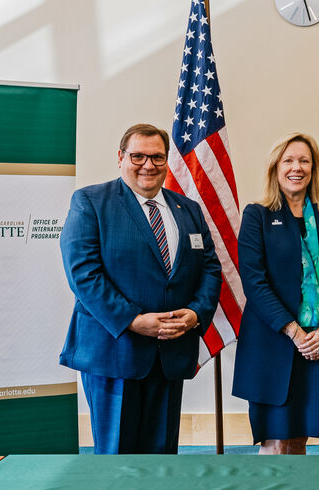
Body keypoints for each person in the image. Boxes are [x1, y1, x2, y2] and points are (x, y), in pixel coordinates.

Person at [59, 123, 222, 454]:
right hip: (115, 350)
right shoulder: (91, 202)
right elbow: (84, 274)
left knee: (161, 458)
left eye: (157, 157)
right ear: (121, 157)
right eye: (138, 156)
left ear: (167, 161)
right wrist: (132, 320)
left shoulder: (188, 209)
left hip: (170, 355)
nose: (148, 165)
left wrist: (194, 314)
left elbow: (210, 269)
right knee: (118, 460)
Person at [232, 132, 319, 455]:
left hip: (318, 347)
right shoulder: (256, 216)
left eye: (304, 161)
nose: (296, 167)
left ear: (313, 169)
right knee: (275, 442)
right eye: (288, 160)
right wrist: (294, 331)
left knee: (300, 438)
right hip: (274, 347)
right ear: (275, 167)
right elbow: (254, 282)